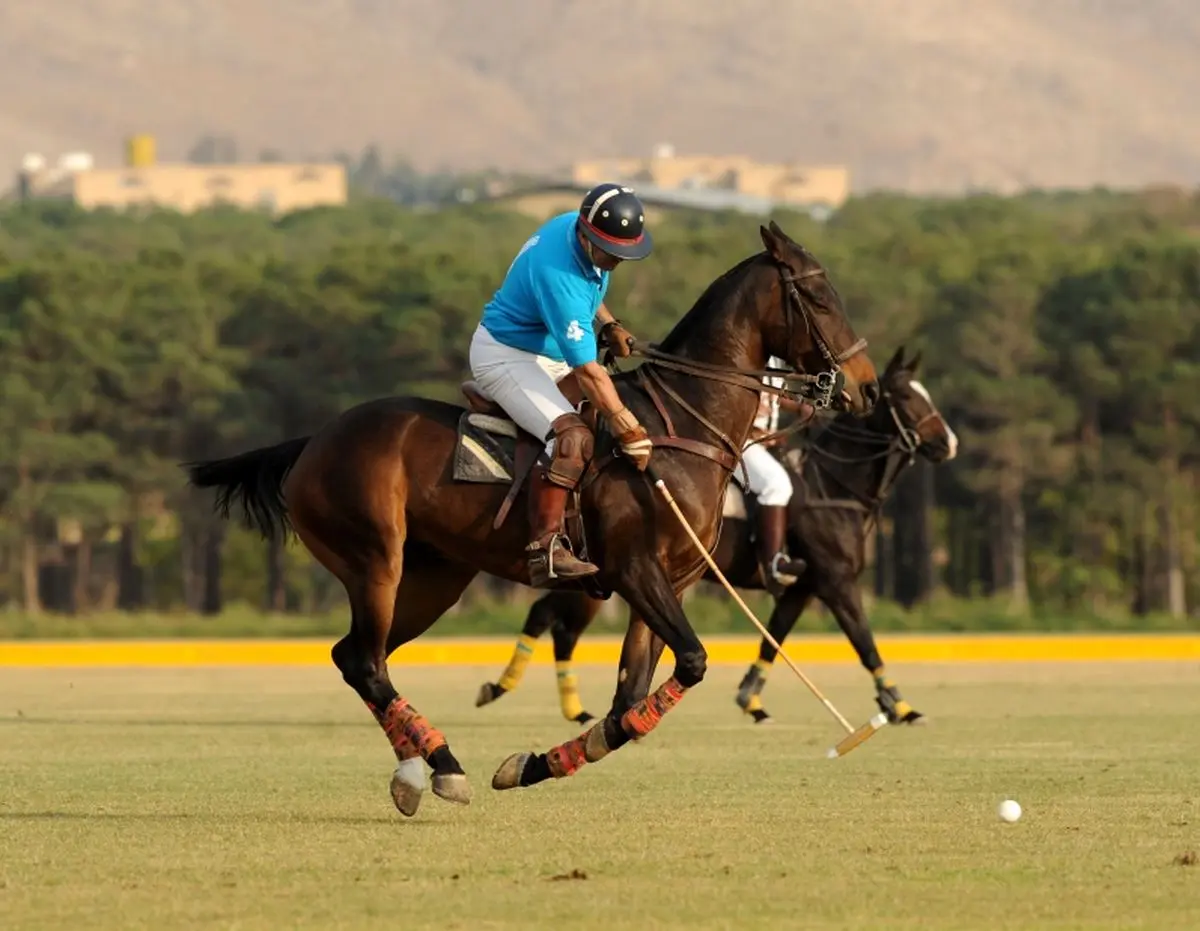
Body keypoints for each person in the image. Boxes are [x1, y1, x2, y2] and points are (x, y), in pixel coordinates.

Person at [468, 183, 655, 588]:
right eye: (611, 253)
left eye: (623, 254)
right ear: (587, 237)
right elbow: (589, 372)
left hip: (547, 354)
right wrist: (630, 428)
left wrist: (609, 323)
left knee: (599, 422)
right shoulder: (559, 274)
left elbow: (592, 287)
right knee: (571, 438)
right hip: (508, 356)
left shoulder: (577, 229)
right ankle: (546, 548)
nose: (615, 262)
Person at [737, 356, 810, 592]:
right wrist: (760, 432)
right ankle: (773, 563)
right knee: (776, 484)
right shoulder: (746, 354)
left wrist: (800, 406)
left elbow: (774, 396)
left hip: (764, 442)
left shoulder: (776, 360)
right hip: (740, 442)